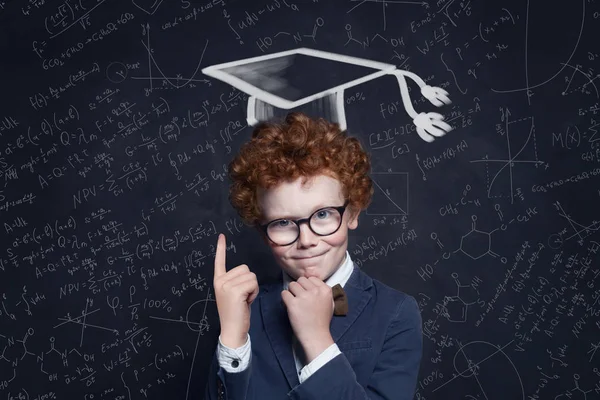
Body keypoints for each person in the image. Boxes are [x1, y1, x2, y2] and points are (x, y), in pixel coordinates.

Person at [204, 112, 422, 400]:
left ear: (353, 211)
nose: (306, 241)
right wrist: (232, 337)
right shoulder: (246, 312)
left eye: (322, 215)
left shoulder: (396, 313)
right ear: (262, 231)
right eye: (283, 223)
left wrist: (317, 339)